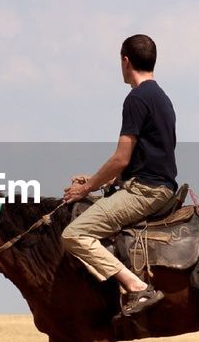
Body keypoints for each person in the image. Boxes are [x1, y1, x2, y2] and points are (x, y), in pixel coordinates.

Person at [61, 34, 178, 316]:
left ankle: (136, 287)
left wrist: (86, 188)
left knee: (74, 234)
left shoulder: (136, 99)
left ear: (125, 61)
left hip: (146, 192)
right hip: (159, 186)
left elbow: (121, 158)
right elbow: (145, 158)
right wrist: (103, 180)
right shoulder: (162, 98)